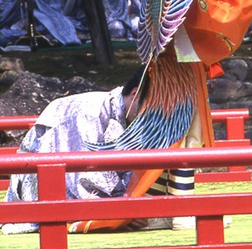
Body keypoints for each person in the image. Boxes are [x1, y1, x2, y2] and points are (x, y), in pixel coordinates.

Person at [73, 0, 252, 232]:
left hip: (175, 62)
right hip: (175, 65)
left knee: (174, 133)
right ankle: (182, 211)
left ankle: (158, 208)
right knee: (182, 135)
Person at [2, 69, 149, 235]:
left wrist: (132, 204)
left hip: (84, 189)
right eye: (154, 109)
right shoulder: (89, 112)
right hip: (44, 188)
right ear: (135, 94)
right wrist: (123, 210)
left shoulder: (124, 116)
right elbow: (83, 176)